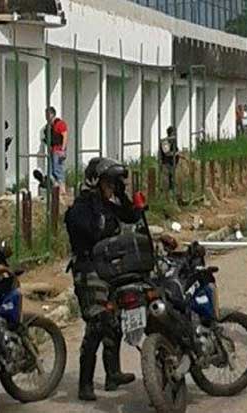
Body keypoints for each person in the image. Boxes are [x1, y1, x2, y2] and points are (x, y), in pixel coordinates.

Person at [64, 157, 142, 401]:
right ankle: (85, 383)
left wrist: (126, 197)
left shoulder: (108, 205)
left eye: (114, 184)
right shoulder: (81, 208)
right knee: (98, 324)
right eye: (109, 183)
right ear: (96, 182)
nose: (112, 188)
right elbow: (91, 231)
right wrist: (102, 207)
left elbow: (130, 217)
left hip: (110, 270)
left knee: (116, 321)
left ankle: (113, 374)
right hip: (88, 271)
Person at [44, 107, 68, 195]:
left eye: (48, 114)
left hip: (58, 150)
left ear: (53, 114)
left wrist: (63, 149)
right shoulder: (49, 126)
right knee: (52, 171)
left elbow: (65, 136)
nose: (46, 116)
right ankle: (56, 189)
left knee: (58, 169)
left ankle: (62, 189)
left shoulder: (60, 124)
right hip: (52, 150)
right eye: (46, 114)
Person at [159, 126, 179, 192]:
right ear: (170, 133)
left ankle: (171, 191)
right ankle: (165, 193)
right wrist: (176, 153)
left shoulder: (173, 142)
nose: (175, 135)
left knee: (171, 179)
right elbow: (167, 153)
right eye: (174, 133)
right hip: (166, 164)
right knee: (166, 180)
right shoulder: (165, 142)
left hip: (172, 163)